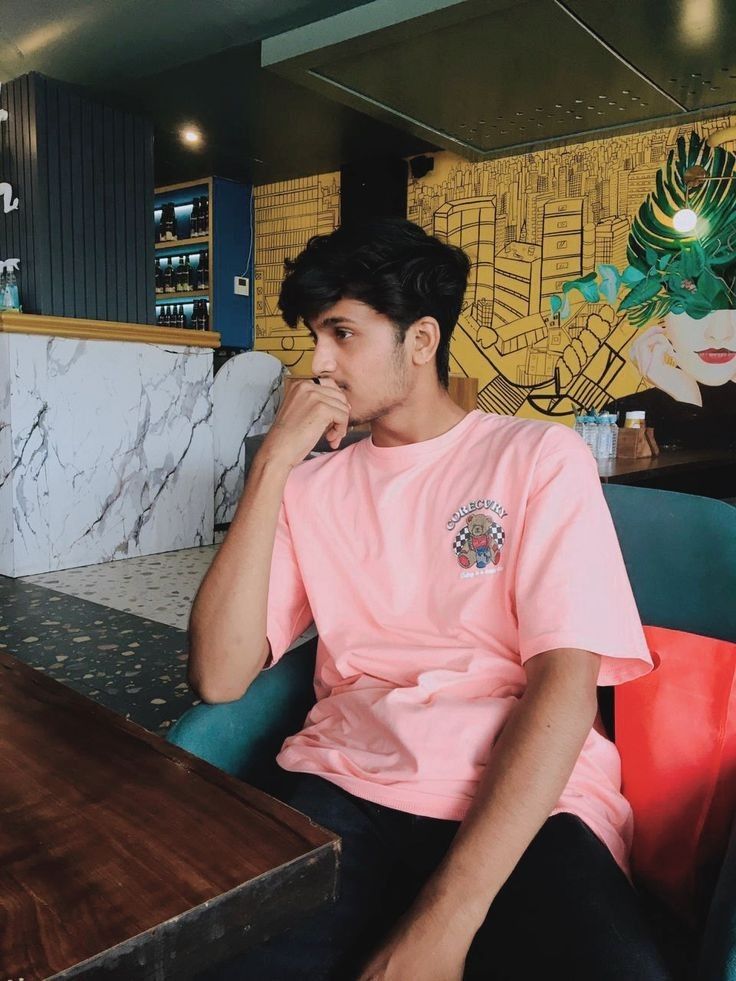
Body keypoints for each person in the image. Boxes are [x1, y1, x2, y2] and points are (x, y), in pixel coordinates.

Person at [188, 218, 672, 981]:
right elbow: (217, 676)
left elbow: (565, 686)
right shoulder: (311, 486)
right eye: (315, 336)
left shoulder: (537, 457)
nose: (317, 364)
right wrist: (273, 462)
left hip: (532, 802)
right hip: (346, 784)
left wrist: (446, 920)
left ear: (420, 339)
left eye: (342, 333)